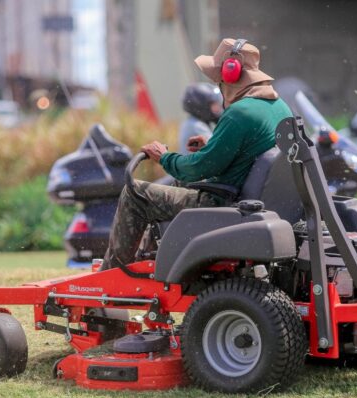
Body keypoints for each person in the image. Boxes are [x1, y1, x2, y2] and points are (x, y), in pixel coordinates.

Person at [101, 38, 293, 270]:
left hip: (223, 202)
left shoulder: (239, 113)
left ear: (230, 75)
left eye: (218, 79)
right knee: (174, 184)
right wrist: (212, 144)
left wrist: (164, 157)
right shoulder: (280, 107)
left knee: (136, 193)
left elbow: (199, 168)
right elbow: (253, 150)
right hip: (256, 199)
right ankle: (156, 261)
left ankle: (113, 275)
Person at [178, 83, 223, 155]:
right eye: (213, 104)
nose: (218, 109)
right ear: (201, 106)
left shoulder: (193, 122)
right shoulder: (196, 126)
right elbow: (219, 151)